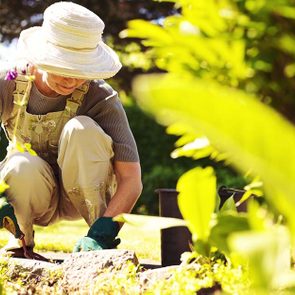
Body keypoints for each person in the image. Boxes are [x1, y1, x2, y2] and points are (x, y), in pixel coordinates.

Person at [0, 1, 142, 256]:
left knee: (81, 129)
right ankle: (21, 242)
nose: (72, 79)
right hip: (27, 194)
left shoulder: (101, 98)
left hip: (82, 197)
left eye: (81, 69)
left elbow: (131, 179)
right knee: (21, 164)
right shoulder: (8, 85)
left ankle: (96, 246)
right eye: (64, 66)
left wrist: (105, 230)